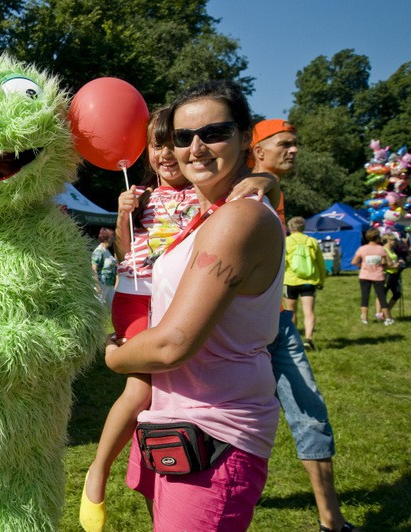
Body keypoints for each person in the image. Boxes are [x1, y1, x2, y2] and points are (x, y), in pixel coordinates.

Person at [80, 107, 278, 532]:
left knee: (141, 384)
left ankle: (98, 470)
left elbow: (247, 193)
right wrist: (122, 215)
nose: (179, 151)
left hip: (214, 424)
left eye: (210, 134)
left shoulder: (215, 201)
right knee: (141, 388)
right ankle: (100, 467)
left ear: (244, 137)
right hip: (139, 296)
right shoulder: (144, 196)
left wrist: (267, 179)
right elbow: (124, 251)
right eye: (168, 142)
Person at [251, 119, 360, 532]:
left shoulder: (271, 188)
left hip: (277, 322)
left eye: (296, 143)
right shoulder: (246, 185)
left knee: (309, 411)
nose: (294, 150)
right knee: (231, 416)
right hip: (244, 329)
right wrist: (263, 181)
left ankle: (331, 520)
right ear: (258, 150)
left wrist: (269, 182)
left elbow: (269, 186)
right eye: (285, 143)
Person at [284, 216, 327, 349]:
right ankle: (308, 339)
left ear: (290, 227)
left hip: (290, 281)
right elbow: (320, 263)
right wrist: (321, 280)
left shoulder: (286, 241)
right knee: (309, 311)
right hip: (309, 280)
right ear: (303, 227)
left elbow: (282, 263)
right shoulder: (311, 241)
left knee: (291, 311)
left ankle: (294, 339)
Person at [352, 227, 394, 325]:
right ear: (377, 237)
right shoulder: (381, 249)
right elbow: (389, 263)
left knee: (365, 297)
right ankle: (388, 318)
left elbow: (354, 262)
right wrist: (384, 264)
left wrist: (362, 265)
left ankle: (364, 318)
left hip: (364, 275)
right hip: (378, 276)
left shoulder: (362, 249)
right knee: (381, 297)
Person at [378, 232, 403, 316]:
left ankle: (386, 312)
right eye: (393, 240)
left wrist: (399, 262)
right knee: (382, 294)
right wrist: (394, 266)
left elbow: (393, 260)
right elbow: (383, 264)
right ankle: (379, 313)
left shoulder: (392, 249)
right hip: (387, 274)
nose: (395, 241)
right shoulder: (383, 250)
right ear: (388, 240)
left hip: (395, 274)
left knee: (397, 294)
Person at [92, 227, 117, 308]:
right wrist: (97, 284)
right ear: (106, 238)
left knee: (114, 305)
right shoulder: (99, 251)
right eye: (112, 237)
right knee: (98, 306)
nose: (113, 239)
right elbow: (94, 268)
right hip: (101, 284)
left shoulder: (107, 251)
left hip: (109, 284)